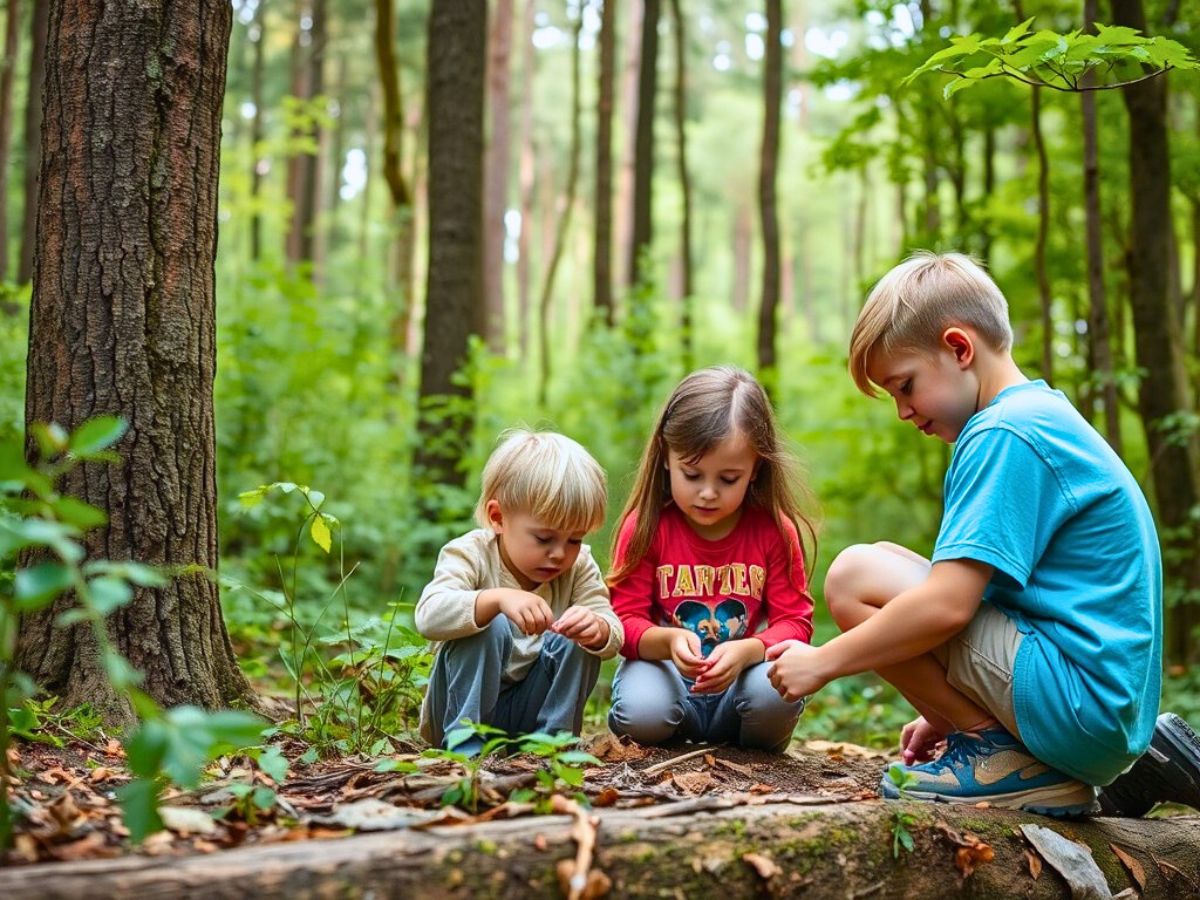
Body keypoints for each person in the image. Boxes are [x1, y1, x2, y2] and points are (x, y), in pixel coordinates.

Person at [767, 251, 1177, 817]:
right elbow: (995, 600)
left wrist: (823, 661)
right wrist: (943, 710)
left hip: (1079, 705)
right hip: (1094, 708)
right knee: (885, 557)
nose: (904, 412)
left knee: (856, 574)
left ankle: (1000, 758)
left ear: (960, 349)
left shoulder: (1004, 433)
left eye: (905, 386)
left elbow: (949, 607)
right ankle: (999, 742)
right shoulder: (1038, 416)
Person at [606, 366, 815, 752]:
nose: (707, 493)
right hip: (666, 674)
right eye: (692, 473)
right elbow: (623, 622)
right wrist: (668, 640)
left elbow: (795, 623)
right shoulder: (647, 526)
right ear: (666, 458)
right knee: (643, 714)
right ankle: (667, 731)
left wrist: (749, 650)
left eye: (728, 479)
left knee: (774, 696)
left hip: (742, 679)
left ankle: (746, 746)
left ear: (756, 469)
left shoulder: (773, 530)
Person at [415, 429, 623, 754]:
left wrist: (597, 629)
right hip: (459, 708)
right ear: (498, 518)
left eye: (574, 539)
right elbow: (429, 616)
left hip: (529, 709)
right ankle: (465, 750)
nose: (559, 553)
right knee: (489, 624)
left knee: (580, 633)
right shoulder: (470, 553)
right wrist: (495, 599)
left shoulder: (578, 565)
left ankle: (553, 746)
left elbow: (612, 629)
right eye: (544, 539)